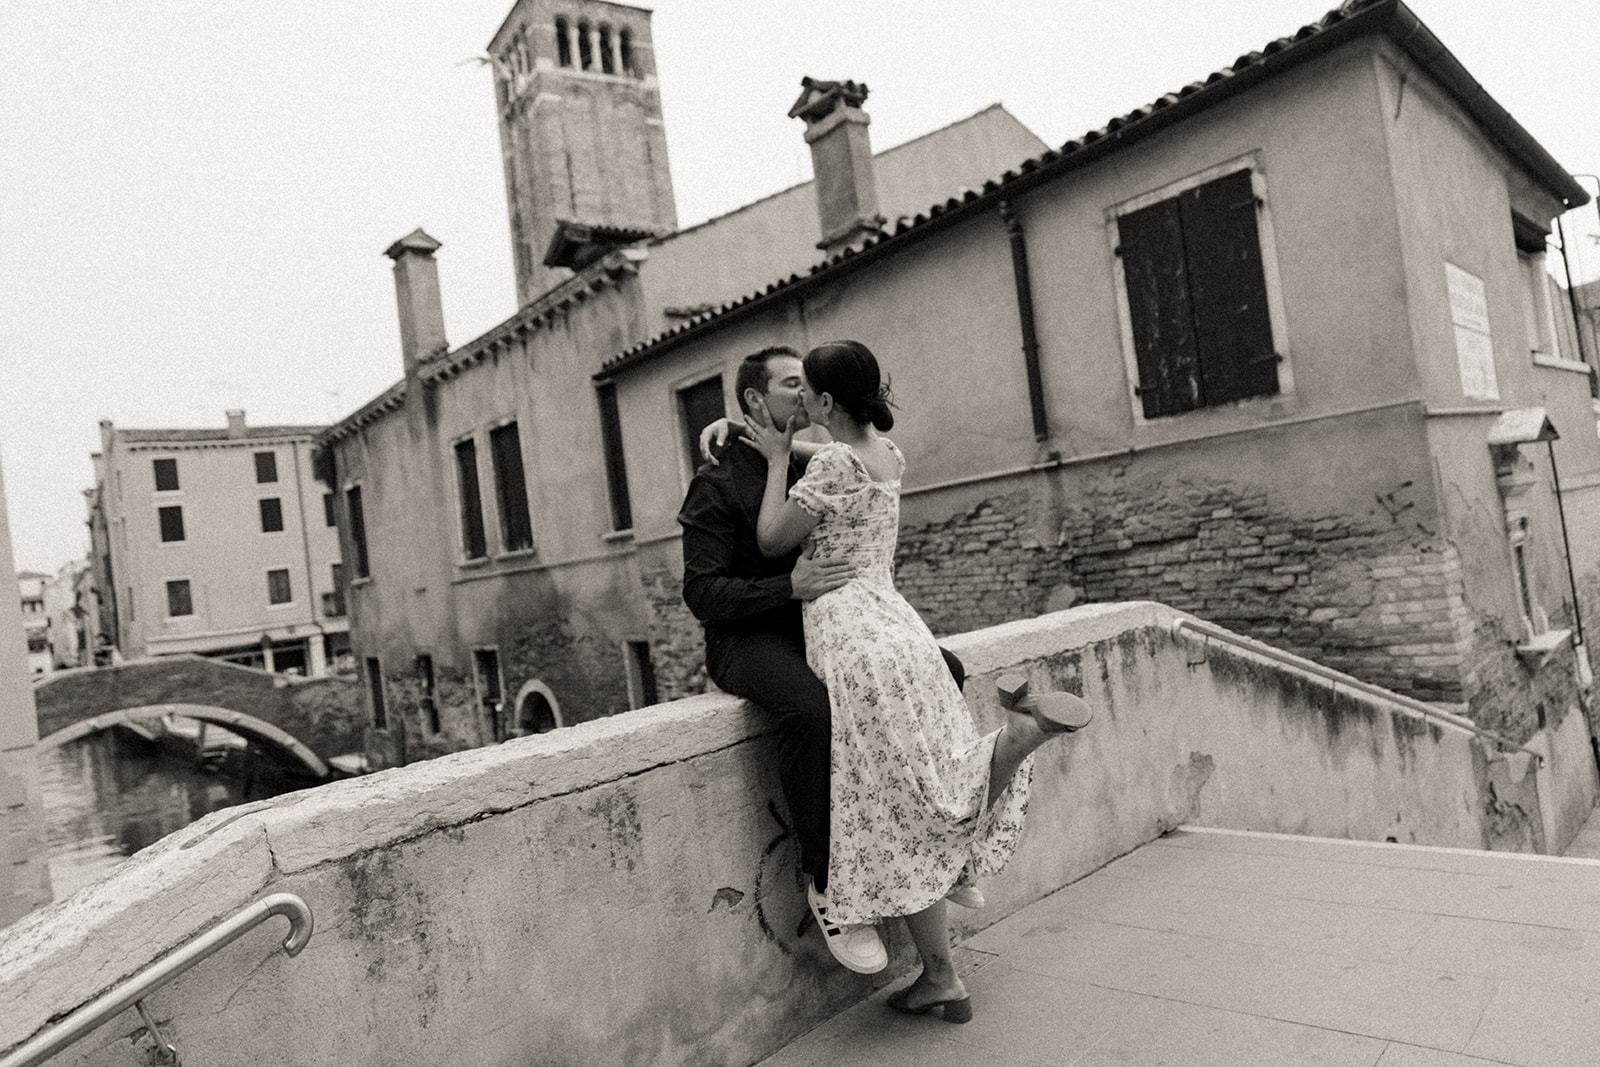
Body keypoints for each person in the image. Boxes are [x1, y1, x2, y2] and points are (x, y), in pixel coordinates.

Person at [745, 339, 1091, 1024]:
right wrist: (781, 443)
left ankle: (1013, 741)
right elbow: (843, 458)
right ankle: (941, 976)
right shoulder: (885, 456)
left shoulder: (834, 463)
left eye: (809, 392)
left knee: (898, 800)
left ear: (825, 402)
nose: (803, 402)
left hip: (851, 637)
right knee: (908, 805)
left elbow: (771, 540)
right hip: (904, 632)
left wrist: (778, 459)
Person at [680, 345, 972, 976]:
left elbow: (847, 457)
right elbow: (702, 595)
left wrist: (749, 435)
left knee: (943, 670)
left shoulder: (819, 458)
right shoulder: (716, 484)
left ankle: (938, 845)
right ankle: (828, 886)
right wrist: (787, 588)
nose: (805, 394)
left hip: (821, 625)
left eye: (809, 385)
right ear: (760, 400)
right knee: (813, 712)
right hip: (749, 637)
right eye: (793, 385)